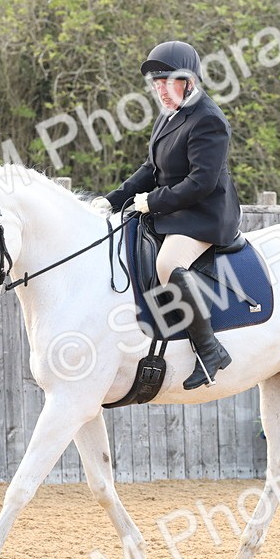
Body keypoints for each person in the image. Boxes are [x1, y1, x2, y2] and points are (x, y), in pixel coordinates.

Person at [92, 40, 242, 389]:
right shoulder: (168, 115)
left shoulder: (209, 120)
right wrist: (111, 200)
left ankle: (210, 350)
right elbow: (150, 169)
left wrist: (152, 202)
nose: (160, 90)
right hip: (174, 209)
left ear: (189, 81)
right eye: (156, 83)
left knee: (168, 264)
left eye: (167, 82)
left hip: (205, 214)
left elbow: (201, 183)